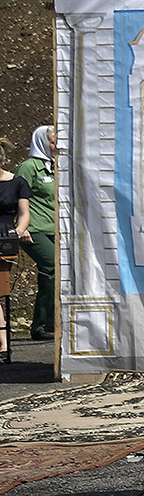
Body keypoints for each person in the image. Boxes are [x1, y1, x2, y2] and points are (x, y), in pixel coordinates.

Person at [14, 126, 56, 340]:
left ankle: (42, 326)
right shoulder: (28, 167)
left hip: (55, 228)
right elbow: (17, 196)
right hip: (35, 229)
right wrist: (23, 227)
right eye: (52, 141)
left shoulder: (56, 167)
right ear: (41, 142)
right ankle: (48, 323)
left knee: (51, 275)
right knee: (52, 267)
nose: (55, 146)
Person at [0, 137, 33, 350]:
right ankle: (2, 340)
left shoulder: (17, 182)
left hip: (4, 237)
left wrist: (19, 231)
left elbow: (24, 214)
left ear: (2, 160)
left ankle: (2, 339)